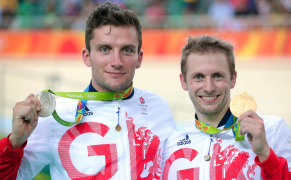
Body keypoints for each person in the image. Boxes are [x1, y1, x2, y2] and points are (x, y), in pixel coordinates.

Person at [0, 2, 176, 180]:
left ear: (139, 58)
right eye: (105, 49)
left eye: (127, 50)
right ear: (87, 56)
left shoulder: (158, 107)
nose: (116, 61)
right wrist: (15, 141)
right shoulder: (57, 114)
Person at [160, 35, 291, 180]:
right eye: (198, 77)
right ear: (183, 81)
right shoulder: (169, 146)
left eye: (217, 76)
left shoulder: (272, 129)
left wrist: (266, 154)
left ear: (233, 79)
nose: (209, 87)